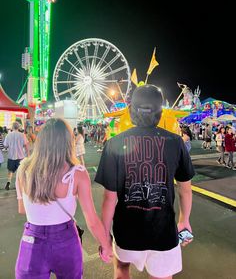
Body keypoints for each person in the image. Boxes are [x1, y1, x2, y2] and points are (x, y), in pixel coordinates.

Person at [95, 84, 195, 279]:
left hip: (126, 232)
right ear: (160, 112)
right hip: (164, 232)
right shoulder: (176, 142)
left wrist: (105, 235)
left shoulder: (114, 143)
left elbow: (109, 198)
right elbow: (185, 190)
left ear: (132, 110)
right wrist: (184, 220)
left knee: (121, 269)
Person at [15, 118, 112, 279]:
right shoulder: (77, 173)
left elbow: (22, 209)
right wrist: (106, 245)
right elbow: (92, 220)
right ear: (68, 142)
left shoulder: (24, 169)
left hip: (32, 240)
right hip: (65, 239)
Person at [3, 121, 28, 190]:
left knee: (10, 171)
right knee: (20, 171)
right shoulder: (22, 135)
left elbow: (5, 145)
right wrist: (28, 154)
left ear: (12, 127)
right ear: (19, 127)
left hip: (11, 156)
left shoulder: (8, 135)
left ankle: (8, 182)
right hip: (21, 157)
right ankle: (21, 185)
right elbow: (26, 144)